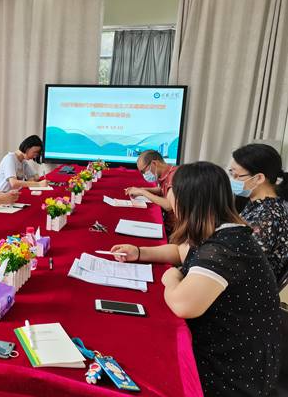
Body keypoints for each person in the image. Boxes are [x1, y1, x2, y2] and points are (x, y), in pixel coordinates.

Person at [111, 162, 281, 396]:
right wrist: (139, 252)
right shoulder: (217, 228)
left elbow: (183, 305)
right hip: (231, 346)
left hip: (233, 367)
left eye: (174, 195)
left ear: (190, 201)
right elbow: (180, 251)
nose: (171, 201)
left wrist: (172, 277)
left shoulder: (226, 248)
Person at [228, 143, 288, 284]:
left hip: (250, 285)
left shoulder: (270, 215)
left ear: (259, 178)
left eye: (237, 175)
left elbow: (243, 262)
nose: (233, 180)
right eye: (231, 173)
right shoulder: (257, 203)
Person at [124, 150, 177, 234]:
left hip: (174, 230)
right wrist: (141, 189)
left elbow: (168, 205)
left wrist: (142, 192)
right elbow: (162, 190)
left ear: (154, 163)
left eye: (143, 171)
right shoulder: (165, 173)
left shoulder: (174, 176)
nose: (144, 175)